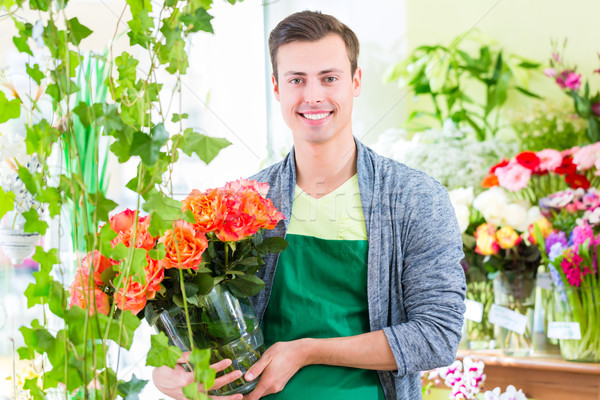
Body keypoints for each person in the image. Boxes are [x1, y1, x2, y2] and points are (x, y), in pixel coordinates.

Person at [153, 10, 466, 400]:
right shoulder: (241, 207)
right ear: (277, 87)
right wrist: (169, 375)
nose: (313, 96)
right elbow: (199, 323)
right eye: (296, 79)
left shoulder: (415, 199)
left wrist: (306, 351)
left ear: (355, 82)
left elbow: (437, 336)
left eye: (329, 78)